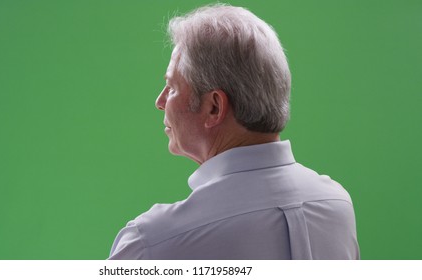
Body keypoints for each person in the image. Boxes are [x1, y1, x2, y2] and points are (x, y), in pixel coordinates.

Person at [108, 4, 359, 260]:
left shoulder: (153, 242)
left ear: (214, 107)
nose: (160, 101)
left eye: (172, 87)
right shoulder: (337, 206)